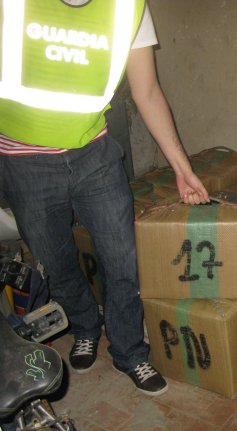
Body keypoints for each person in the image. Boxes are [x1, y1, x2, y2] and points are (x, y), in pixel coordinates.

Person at [0, 0, 209, 396]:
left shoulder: (129, 7)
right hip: (23, 161)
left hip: (94, 153)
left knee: (123, 261)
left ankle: (130, 350)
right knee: (56, 263)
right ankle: (84, 325)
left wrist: (182, 168)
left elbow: (146, 91)